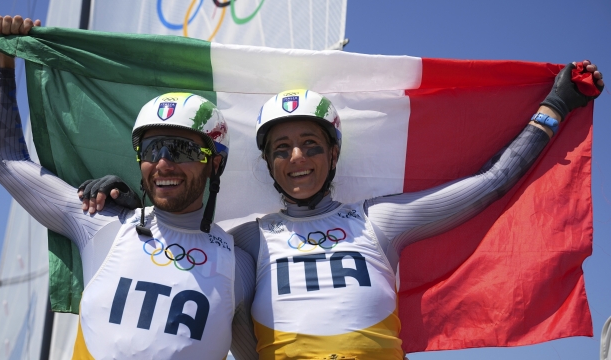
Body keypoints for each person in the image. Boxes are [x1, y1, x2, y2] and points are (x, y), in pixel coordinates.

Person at [87, 56, 603, 360]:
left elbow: (491, 183)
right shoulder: (244, 240)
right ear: (266, 162)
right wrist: (128, 204)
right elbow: (179, 262)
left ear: (334, 154)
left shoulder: (378, 222)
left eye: (311, 145)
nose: (298, 159)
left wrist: (556, 106)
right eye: (282, 148)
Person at [0, 15, 259, 359]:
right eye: (151, 149)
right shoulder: (100, 221)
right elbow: (4, 161)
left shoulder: (240, 266)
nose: (162, 163)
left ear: (214, 163)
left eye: (182, 149)